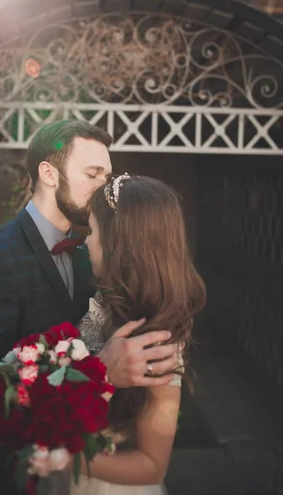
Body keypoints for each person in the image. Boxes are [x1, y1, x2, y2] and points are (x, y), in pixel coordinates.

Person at [0, 120, 180, 495]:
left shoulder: (102, 257)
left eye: (107, 175)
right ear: (48, 174)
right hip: (12, 476)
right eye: (92, 174)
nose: (105, 187)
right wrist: (100, 372)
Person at [71, 173, 206, 495]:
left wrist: (64, 456)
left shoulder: (158, 340)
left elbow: (152, 464)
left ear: (120, 242)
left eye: (93, 231)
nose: (86, 240)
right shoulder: (103, 301)